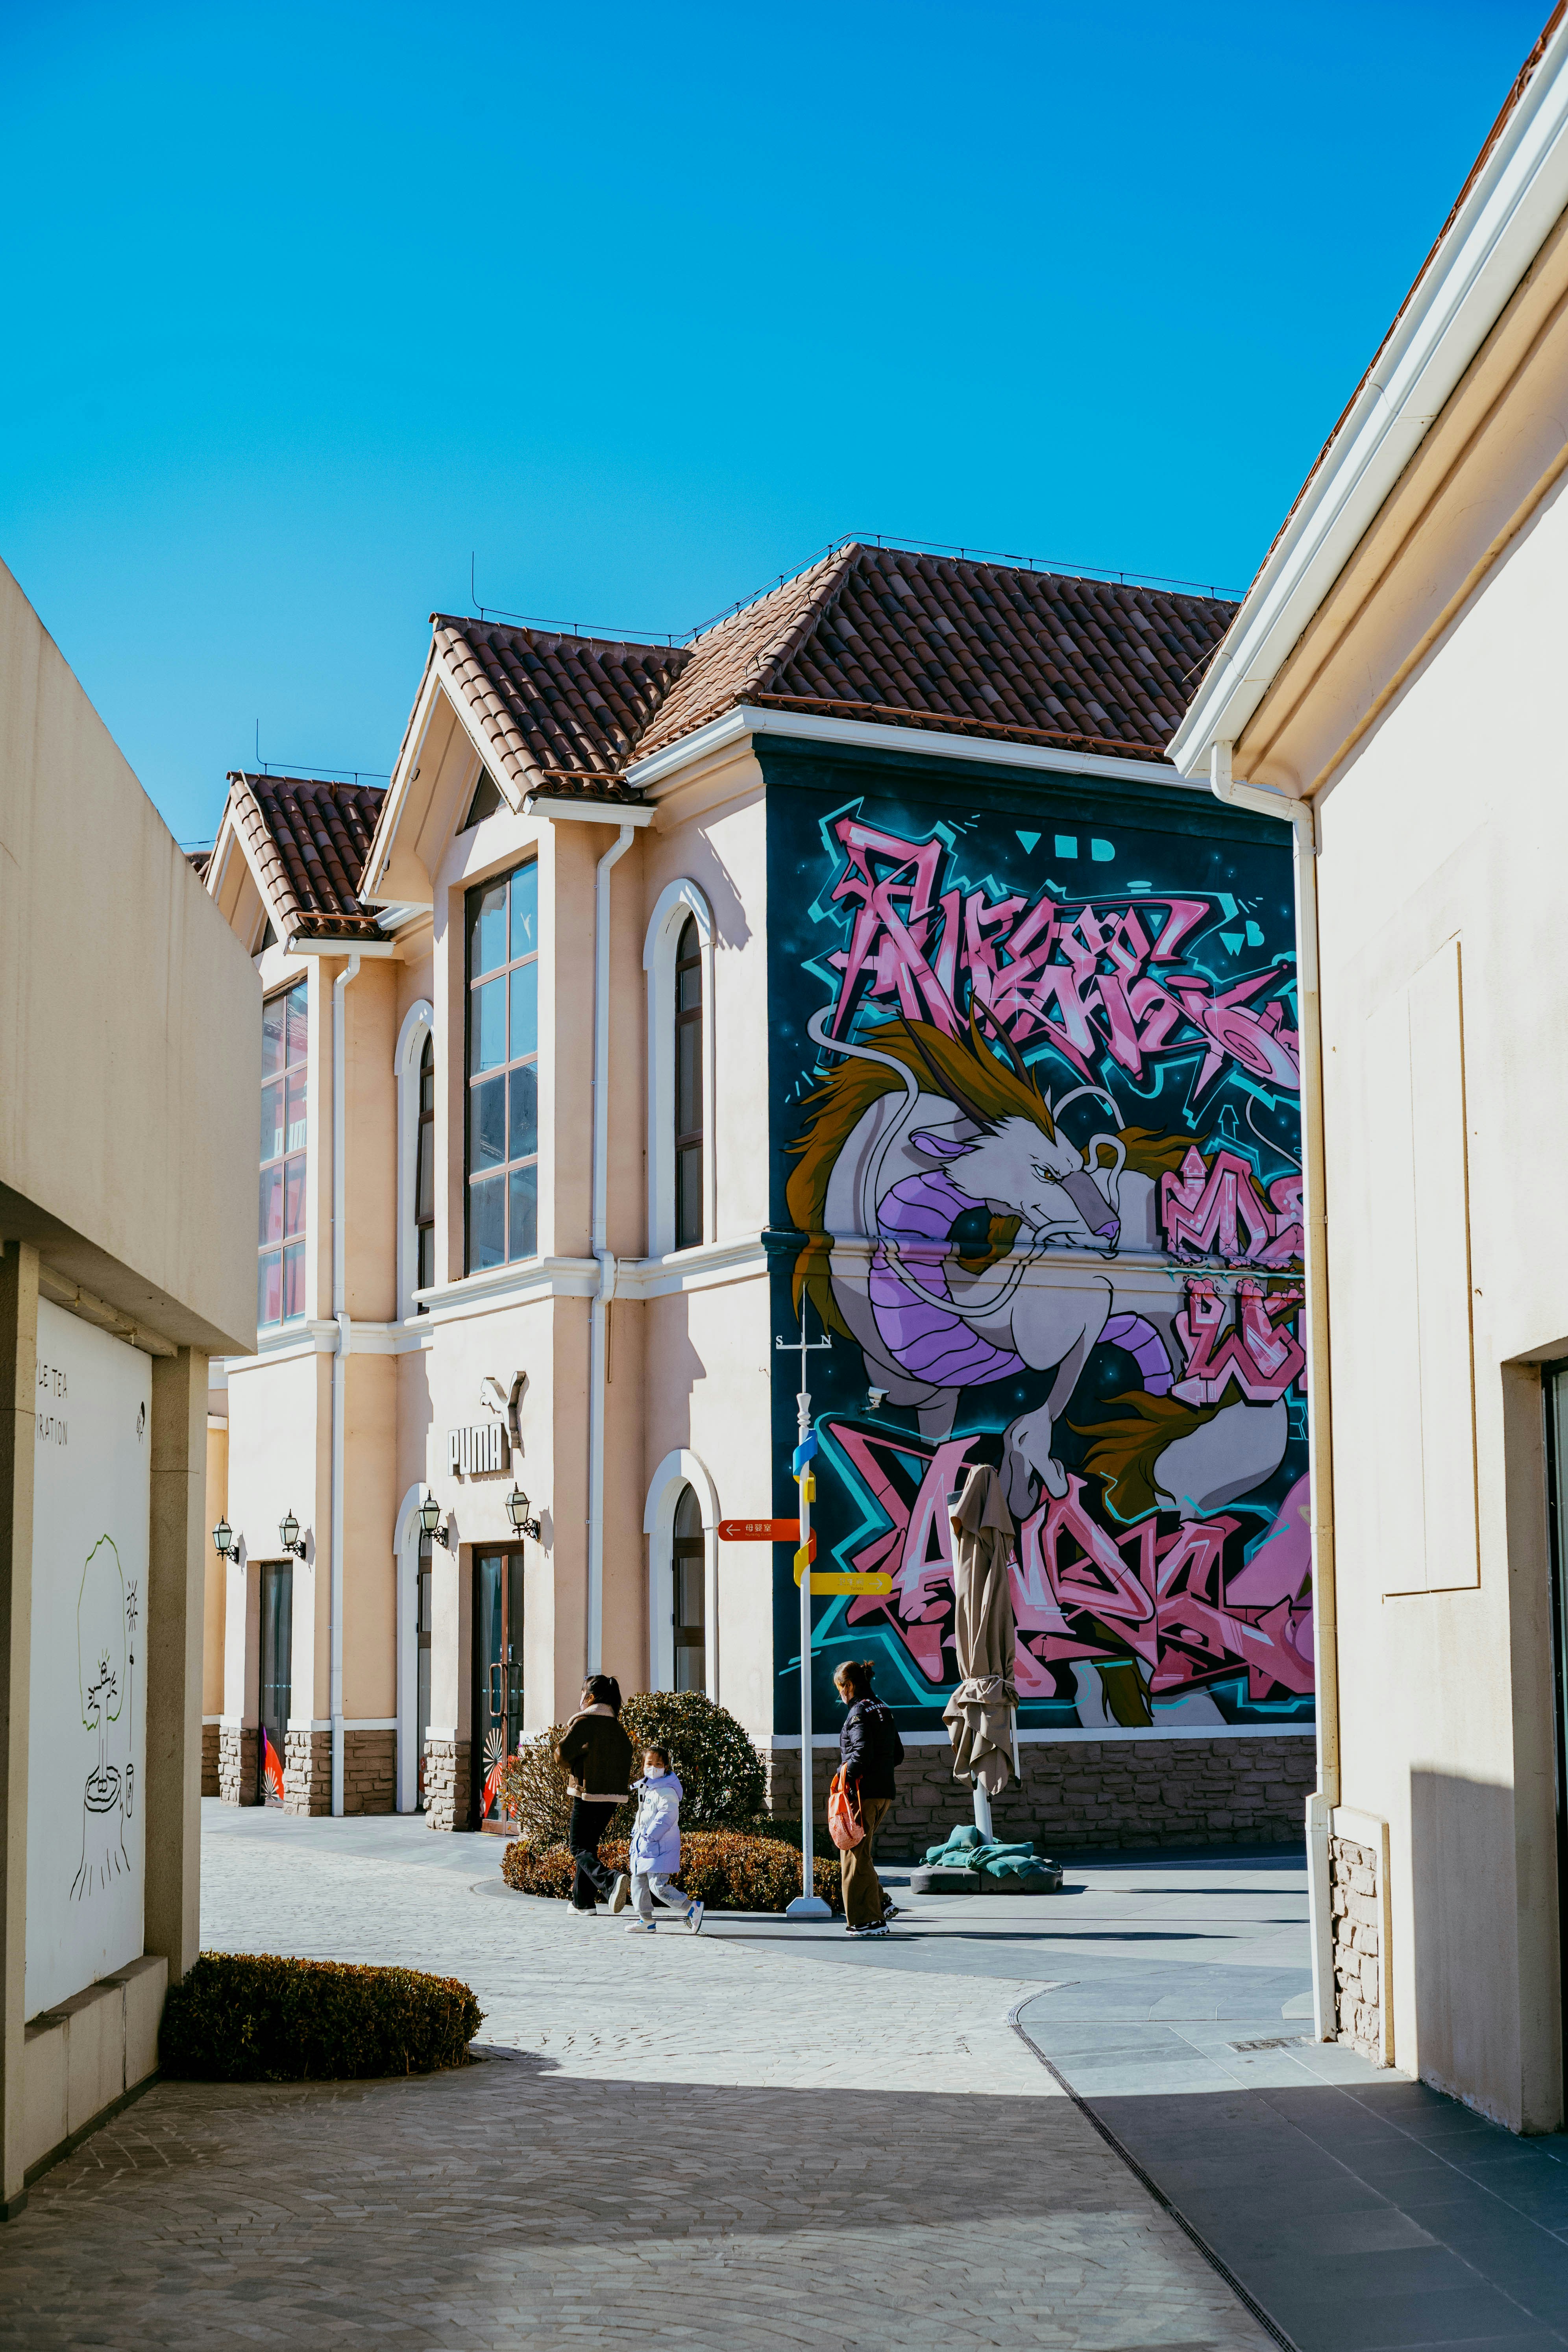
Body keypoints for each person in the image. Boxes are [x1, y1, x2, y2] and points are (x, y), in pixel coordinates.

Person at [834, 1659, 905, 1938]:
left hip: (863, 1794)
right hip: (884, 1792)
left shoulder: (858, 1713)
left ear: (849, 1686)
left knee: (852, 1855)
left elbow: (861, 1753)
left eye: (840, 1688)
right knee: (861, 1853)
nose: (840, 1695)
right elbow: (897, 1754)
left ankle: (868, 1921)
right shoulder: (883, 1708)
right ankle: (882, 1903)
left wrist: (844, 1775)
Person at [555, 1675, 633, 1916]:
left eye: (582, 1694)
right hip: (613, 1798)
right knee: (589, 1846)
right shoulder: (617, 1727)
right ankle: (583, 1903)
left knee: (578, 1846)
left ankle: (610, 1881)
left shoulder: (585, 1723)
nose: (580, 1699)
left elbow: (561, 1756)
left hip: (587, 1794)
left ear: (590, 1697)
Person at [617, 1746, 704, 1934]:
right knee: (638, 1883)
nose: (654, 1768)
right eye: (650, 1763)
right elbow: (643, 1815)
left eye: (659, 1764)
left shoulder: (667, 1790)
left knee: (658, 1886)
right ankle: (646, 1920)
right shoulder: (647, 1787)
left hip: (660, 1846)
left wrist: (650, 1835)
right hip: (645, 1846)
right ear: (643, 1766)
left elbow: (667, 1815)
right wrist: (638, 1834)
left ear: (666, 1767)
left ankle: (691, 1907)